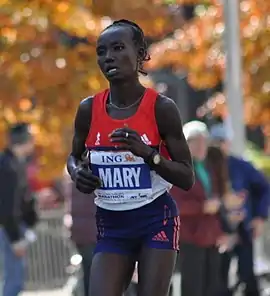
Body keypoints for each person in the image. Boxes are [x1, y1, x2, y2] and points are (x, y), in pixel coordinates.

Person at [67, 19, 194, 296]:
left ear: (139, 54)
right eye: (102, 51)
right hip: (112, 226)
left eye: (118, 48)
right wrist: (78, 173)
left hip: (155, 220)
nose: (108, 56)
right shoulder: (88, 109)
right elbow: (73, 158)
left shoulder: (161, 108)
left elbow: (187, 177)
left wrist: (149, 155)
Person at [170, 121, 236, 296]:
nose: (201, 146)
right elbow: (175, 204)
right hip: (189, 237)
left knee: (212, 287)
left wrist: (221, 229)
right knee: (193, 286)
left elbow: (216, 200)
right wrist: (202, 207)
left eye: (204, 141)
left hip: (210, 237)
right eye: (195, 142)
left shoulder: (210, 167)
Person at [210, 120, 270, 296]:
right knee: (218, 283)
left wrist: (260, 217)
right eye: (216, 142)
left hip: (243, 230)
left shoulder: (241, 166)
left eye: (223, 141)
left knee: (247, 278)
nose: (220, 146)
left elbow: (264, 188)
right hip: (217, 232)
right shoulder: (204, 168)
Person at [0, 123, 37, 296]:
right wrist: (15, 239)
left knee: (15, 278)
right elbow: (8, 206)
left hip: (12, 227)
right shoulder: (9, 167)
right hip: (10, 230)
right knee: (14, 280)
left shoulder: (15, 163)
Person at [62, 168, 97, 296]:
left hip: (78, 230)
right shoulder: (94, 173)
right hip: (92, 230)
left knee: (87, 269)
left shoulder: (71, 173)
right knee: (93, 271)